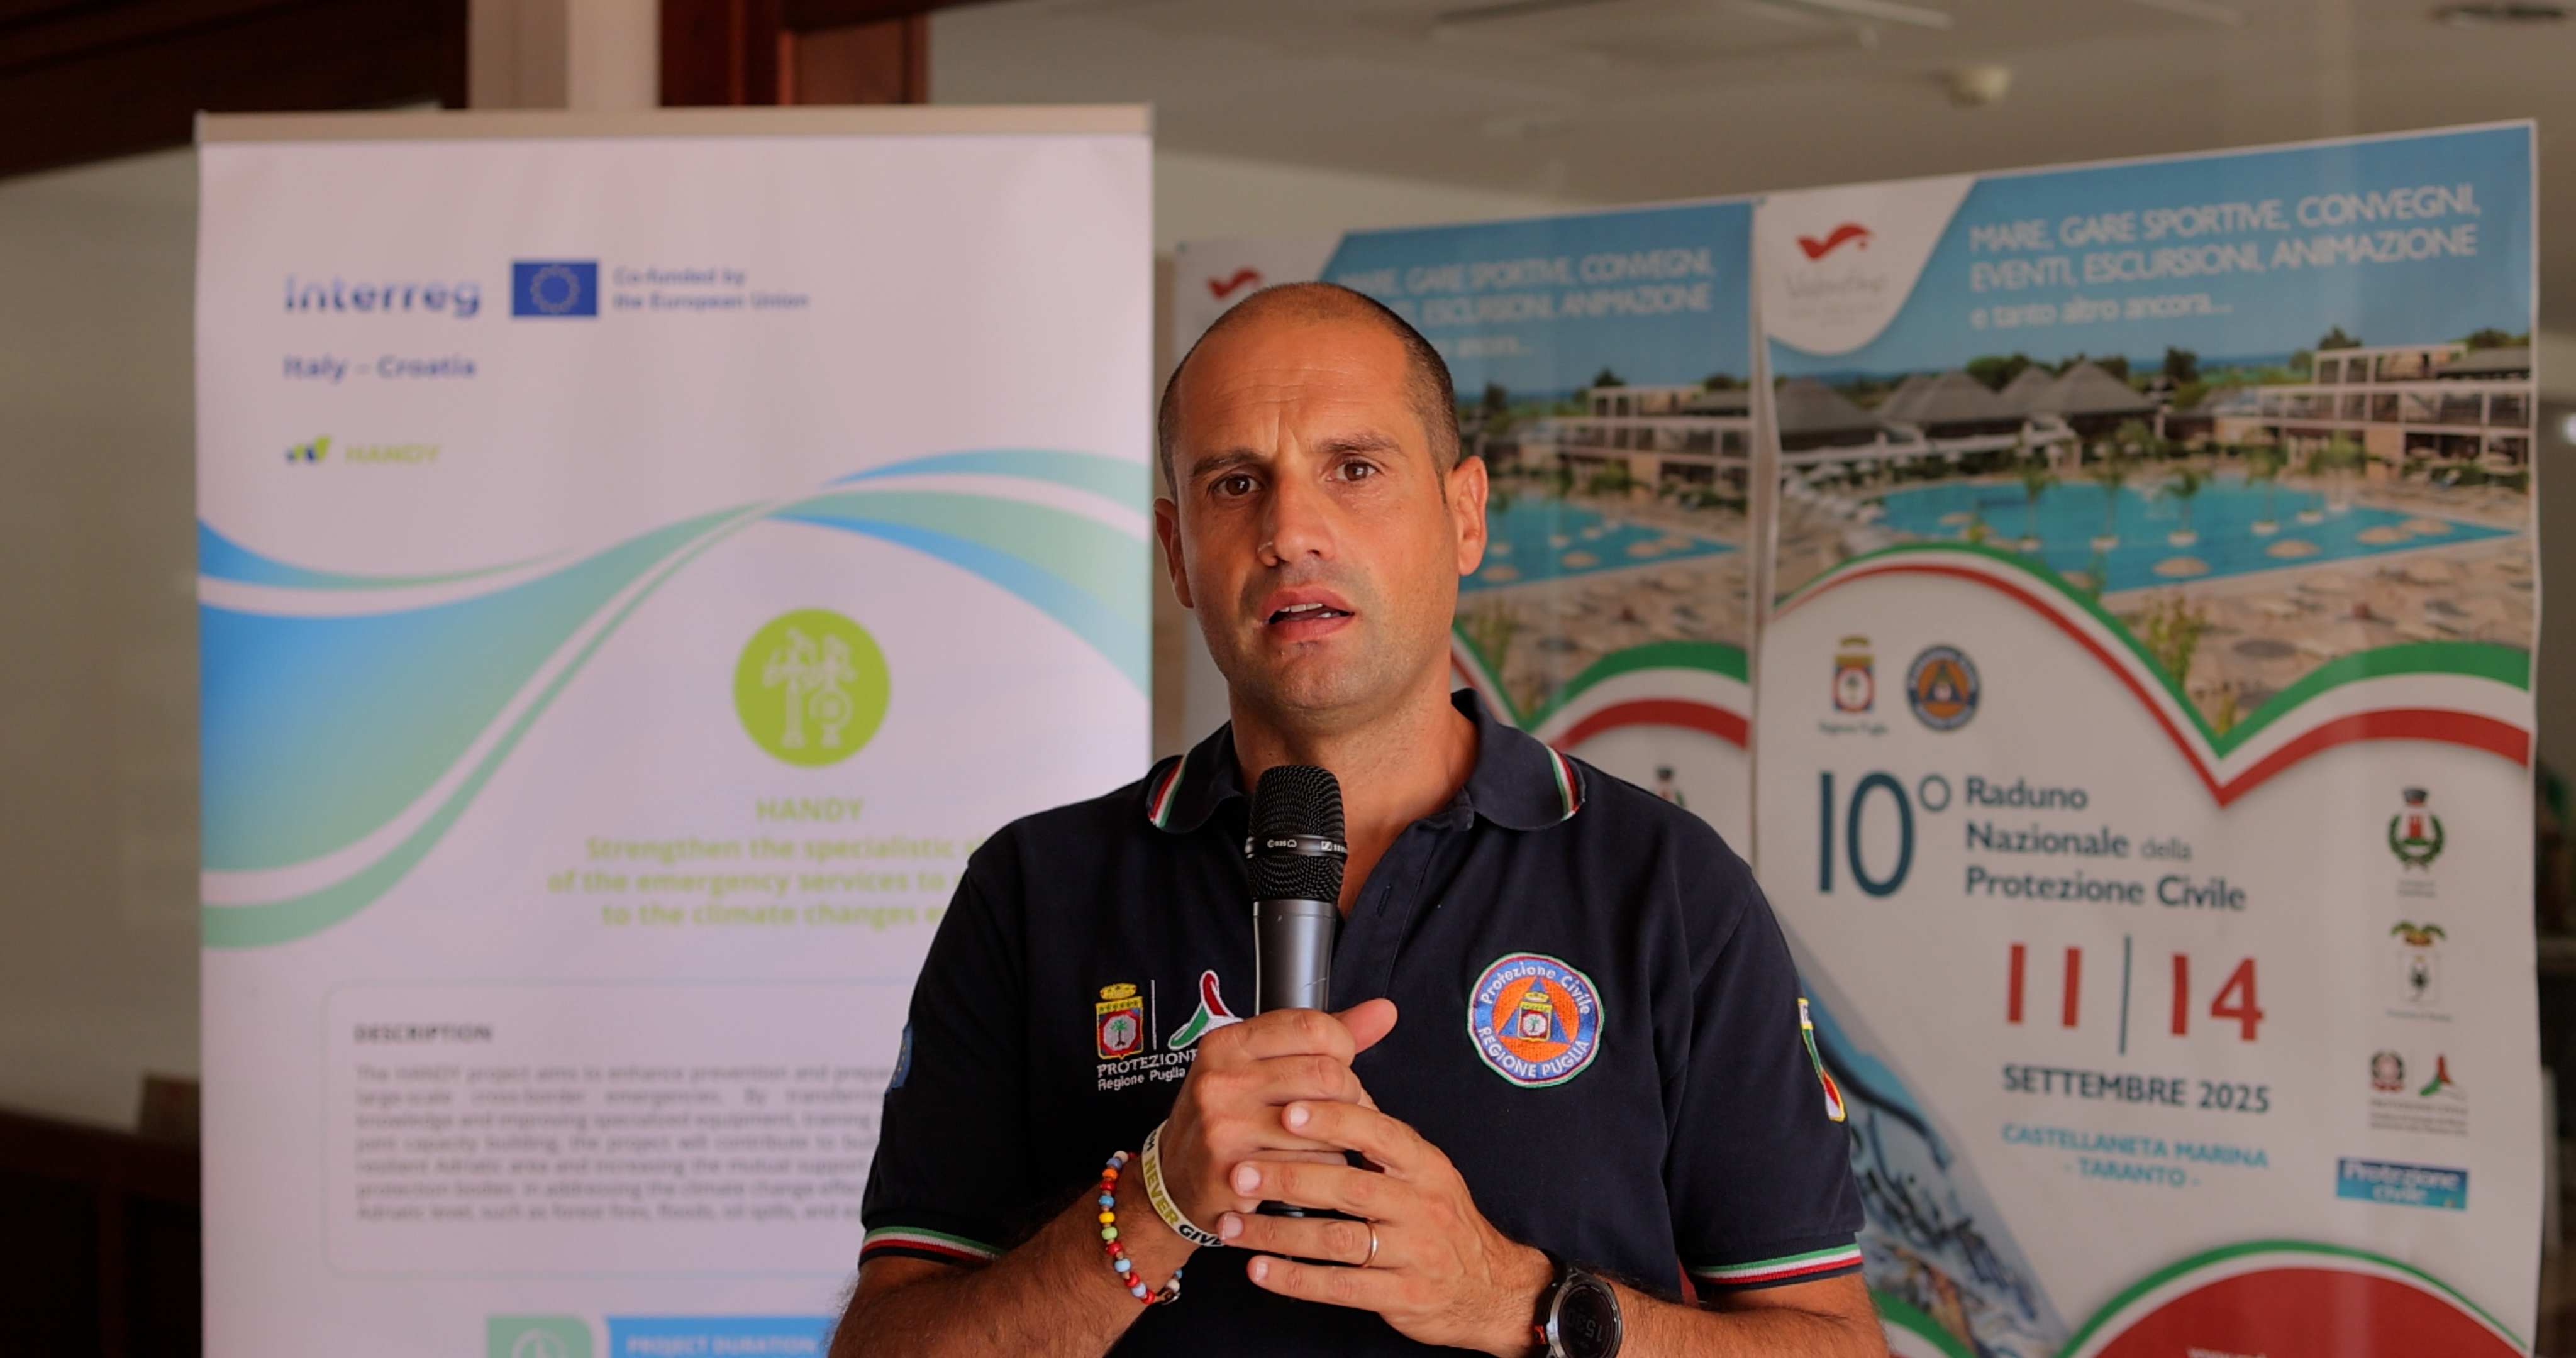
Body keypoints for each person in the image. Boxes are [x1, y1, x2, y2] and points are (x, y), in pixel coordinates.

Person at [832, 283, 1879, 1357]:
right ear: (1178, 552)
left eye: (1356, 469)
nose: (1291, 532)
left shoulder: (1666, 886)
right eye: (1236, 484)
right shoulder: (1035, 890)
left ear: (1464, 514)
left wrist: (1517, 1301)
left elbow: (1835, 1345)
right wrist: (1151, 1204)